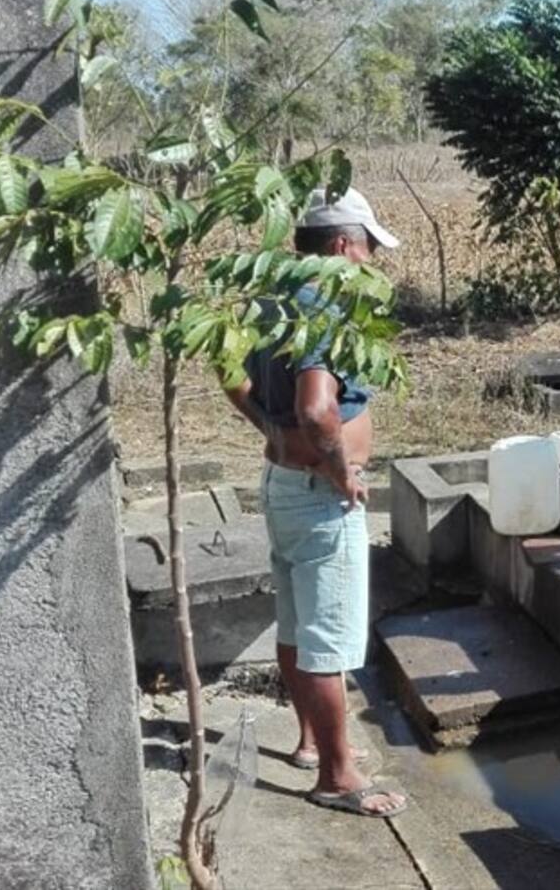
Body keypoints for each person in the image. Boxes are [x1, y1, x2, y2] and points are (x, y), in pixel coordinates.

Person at [223, 187, 406, 818]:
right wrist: (336, 467)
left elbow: (229, 373)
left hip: (281, 484)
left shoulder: (268, 294)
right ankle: (338, 775)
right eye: (366, 249)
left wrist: (274, 436)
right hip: (320, 493)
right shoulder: (327, 301)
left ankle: (307, 742)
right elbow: (316, 408)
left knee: (297, 625)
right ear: (340, 246)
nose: (371, 264)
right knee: (327, 639)